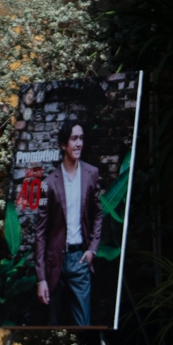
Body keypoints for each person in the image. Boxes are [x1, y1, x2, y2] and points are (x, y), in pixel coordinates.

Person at [35, 119, 101, 326]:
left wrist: (92, 249)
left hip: (80, 259)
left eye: (81, 138)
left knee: (84, 325)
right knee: (53, 327)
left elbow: (98, 215)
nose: (79, 143)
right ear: (64, 144)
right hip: (55, 263)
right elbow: (40, 232)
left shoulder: (91, 174)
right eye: (74, 139)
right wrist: (41, 278)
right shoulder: (49, 183)